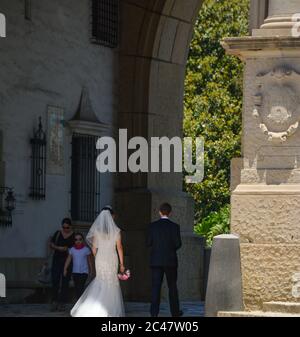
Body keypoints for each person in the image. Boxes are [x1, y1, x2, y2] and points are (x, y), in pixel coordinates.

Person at [70, 206, 125, 317]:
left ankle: (92, 308)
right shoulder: (117, 231)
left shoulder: (97, 232)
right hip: (111, 258)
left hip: (100, 258)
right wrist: (122, 264)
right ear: (111, 217)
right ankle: (109, 310)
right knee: (111, 282)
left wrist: (98, 258)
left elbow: (94, 249)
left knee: (100, 281)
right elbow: (119, 248)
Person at [147, 202, 183, 317]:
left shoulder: (152, 226)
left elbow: (148, 242)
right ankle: (175, 313)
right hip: (170, 261)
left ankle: (154, 313)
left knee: (155, 287)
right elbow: (178, 244)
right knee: (172, 287)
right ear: (170, 212)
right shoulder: (175, 226)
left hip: (156, 261)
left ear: (159, 212)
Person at [50, 218, 75, 311]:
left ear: (70, 226)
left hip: (67, 261)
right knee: (55, 280)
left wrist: (67, 249)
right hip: (56, 260)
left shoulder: (74, 235)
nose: (65, 229)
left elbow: (76, 247)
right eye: (63, 227)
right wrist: (58, 247)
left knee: (65, 282)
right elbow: (51, 244)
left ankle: (62, 303)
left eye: (67, 227)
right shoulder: (57, 233)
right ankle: (54, 301)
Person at [63, 233, 94, 300]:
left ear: (83, 240)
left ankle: (80, 303)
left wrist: (91, 270)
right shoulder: (72, 250)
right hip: (75, 272)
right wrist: (65, 268)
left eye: (80, 239)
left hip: (84, 272)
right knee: (77, 288)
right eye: (76, 239)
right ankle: (79, 302)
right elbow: (68, 259)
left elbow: (89, 261)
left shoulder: (86, 249)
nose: (78, 241)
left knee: (80, 287)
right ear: (74, 241)